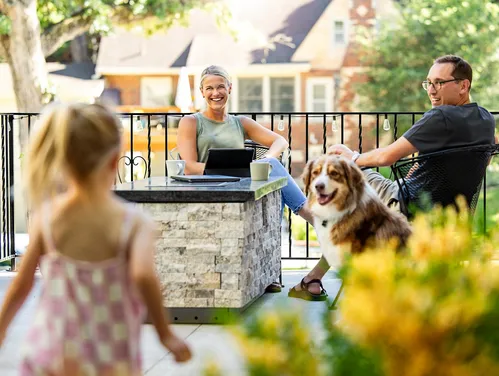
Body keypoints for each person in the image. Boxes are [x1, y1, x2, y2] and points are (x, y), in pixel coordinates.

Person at [0, 103, 191, 375]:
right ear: (115, 160)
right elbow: (144, 276)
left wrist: (2, 328)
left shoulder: (47, 217)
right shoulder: (134, 223)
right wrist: (165, 334)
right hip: (108, 356)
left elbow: (23, 282)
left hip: (49, 352)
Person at [291, 55, 496, 299]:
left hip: (407, 205)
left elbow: (385, 157)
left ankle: (319, 247)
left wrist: (353, 157)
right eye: (428, 83)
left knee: (347, 177)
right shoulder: (485, 119)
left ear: (463, 86)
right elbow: (486, 156)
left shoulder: (440, 117)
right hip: (452, 214)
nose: (431, 90)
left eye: (439, 83)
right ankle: (315, 275)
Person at [177, 65, 322, 298]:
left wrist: (264, 161)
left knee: (273, 171)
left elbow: (280, 141)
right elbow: (190, 165)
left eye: (221, 87)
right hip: (209, 185)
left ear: (230, 88)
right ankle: (313, 217)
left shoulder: (240, 122)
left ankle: (271, 270)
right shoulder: (191, 122)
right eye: (210, 88)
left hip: (242, 184)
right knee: (274, 178)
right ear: (202, 92)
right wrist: (225, 169)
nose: (216, 93)